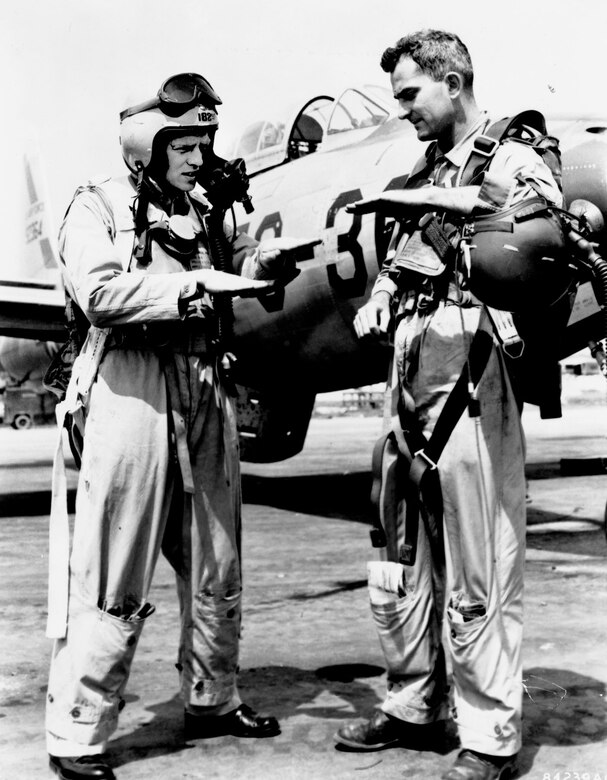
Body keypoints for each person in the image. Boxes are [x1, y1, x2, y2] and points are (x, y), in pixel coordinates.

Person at [45, 73, 312, 780]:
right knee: (117, 560)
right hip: (130, 386)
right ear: (148, 143)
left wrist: (261, 267)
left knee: (217, 556)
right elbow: (99, 293)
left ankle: (213, 695)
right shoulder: (93, 204)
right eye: (183, 143)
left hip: (203, 382)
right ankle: (78, 730)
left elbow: (235, 279)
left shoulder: (203, 214)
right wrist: (197, 285)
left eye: (203, 142)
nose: (198, 156)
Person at [334, 31, 563, 780]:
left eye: (410, 94)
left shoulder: (514, 158)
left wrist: (416, 195)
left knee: (480, 565)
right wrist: (376, 303)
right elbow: (399, 269)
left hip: (472, 370)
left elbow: (535, 230)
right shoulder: (421, 172)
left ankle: (489, 735)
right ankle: (411, 704)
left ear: (453, 80)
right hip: (408, 374)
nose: (402, 111)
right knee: (398, 556)